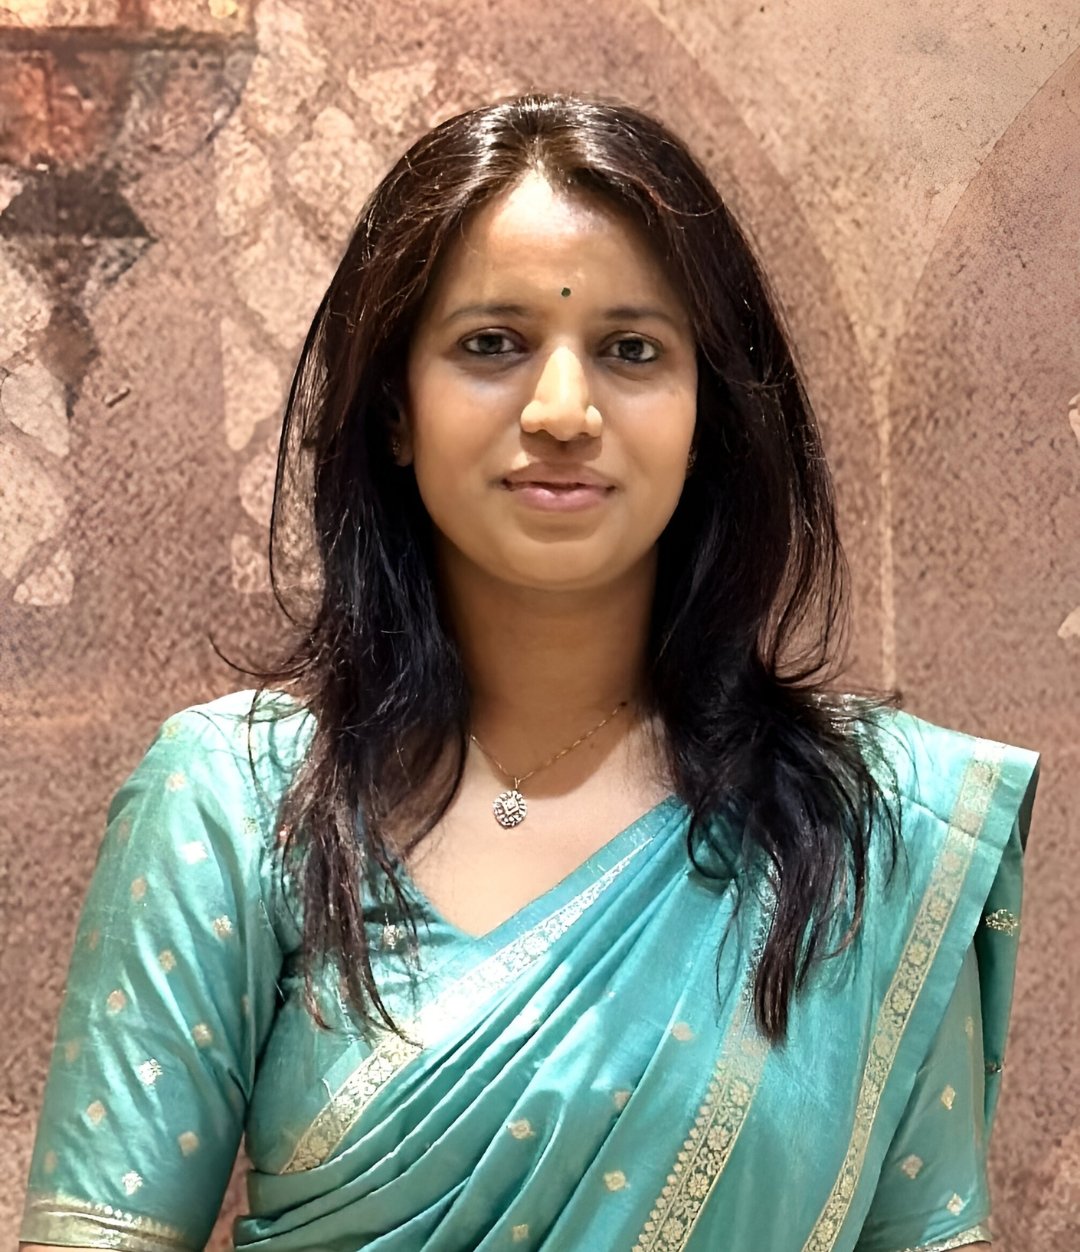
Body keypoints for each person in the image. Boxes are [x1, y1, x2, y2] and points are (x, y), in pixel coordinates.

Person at [19, 92, 1040, 1252]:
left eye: (631, 350)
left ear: (707, 414)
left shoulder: (869, 829)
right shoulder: (237, 805)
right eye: (492, 344)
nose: (562, 411)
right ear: (396, 407)